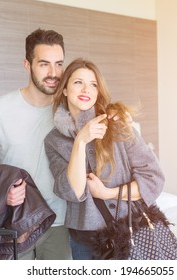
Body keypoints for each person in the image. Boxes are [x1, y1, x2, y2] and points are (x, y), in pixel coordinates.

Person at [44, 58, 165, 260]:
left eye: (93, 85)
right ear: (64, 89)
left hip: (129, 232)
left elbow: (153, 179)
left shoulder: (117, 124)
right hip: (84, 241)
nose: (86, 90)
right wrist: (81, 141)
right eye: (78, 82)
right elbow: (72, 191)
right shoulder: (53, 141)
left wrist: (108, 193)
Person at [0, 28, 72, 260]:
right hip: (16, 225)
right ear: (27, 64)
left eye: (59, 64)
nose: (54, 73)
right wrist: (2, 194)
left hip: (62, 224)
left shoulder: (71, 110)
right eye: (44, 64)